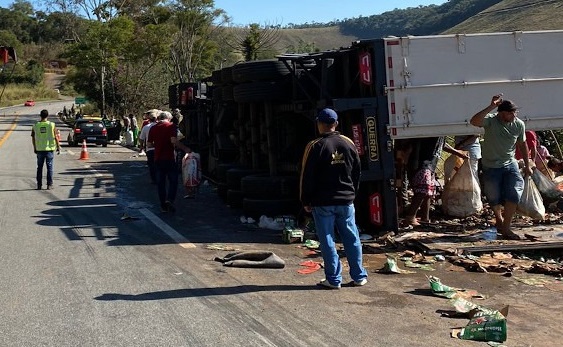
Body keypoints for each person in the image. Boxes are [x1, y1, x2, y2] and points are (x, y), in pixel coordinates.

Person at [299, 108, 367, 289]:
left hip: (323, 202)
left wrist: (306, 201)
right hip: (346, 201)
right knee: (352, 238)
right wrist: (352, 194)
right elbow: (357, 172)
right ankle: (359, 276)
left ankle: (334, 279)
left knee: (328, 240)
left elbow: (307, 176)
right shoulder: (348, 143)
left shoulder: (315, 146)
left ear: (319, 123)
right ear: (336, 123)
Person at [470, 95, 533, 240]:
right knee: (493, 197)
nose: (513, 115)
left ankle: (506, 227)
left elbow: (522, 145)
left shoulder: (519, 124)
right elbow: (474, 121)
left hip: (510, 163)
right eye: (509, 113)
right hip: (491, 165)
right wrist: (491, 106)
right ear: (501, 113)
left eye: (514, 112)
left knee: (514, 192)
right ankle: (498, 219)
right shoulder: (491, 120)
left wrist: (527, 164)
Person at [402, 137, 468, 226]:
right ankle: (410, 217)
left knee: (429, 192)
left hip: (430, 164)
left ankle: (425, 218)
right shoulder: (429, 132)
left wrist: (457, 152)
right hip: (422, 163)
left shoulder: (439, 134)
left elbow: (442, 144)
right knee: (423, 190)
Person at [147, 111, 191, 213]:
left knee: (161, 183)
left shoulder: (153, 128)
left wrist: (158, 146)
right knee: (173, 181)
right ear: (168, 118)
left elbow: (149, 145)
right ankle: (170, 200)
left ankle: (163, 205)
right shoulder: (171, 126)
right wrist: (185, 149)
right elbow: (174, 141)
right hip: (169, 158)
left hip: (158, 159)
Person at [31, 109, 61, 190]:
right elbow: (55, 137)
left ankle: (39, 185)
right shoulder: (52, 125)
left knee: (39, 167)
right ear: (47, 116)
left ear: (40, 115)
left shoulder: (35, 125)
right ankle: (49, 184)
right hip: (49, 150)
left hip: (39, 150)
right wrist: (58, 147)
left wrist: (35, 148)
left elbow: (33, 138)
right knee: (49, 167)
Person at [138, 110, 159, 184]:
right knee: (159, 164)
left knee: (151, 165)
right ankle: (160, 178)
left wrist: (141, 148)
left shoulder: (146, 127)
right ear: (157, 118)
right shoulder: (160, 126)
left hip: (149, 149)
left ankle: (154, 179)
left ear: (149, 119)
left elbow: (141, 139)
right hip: (159, 149)